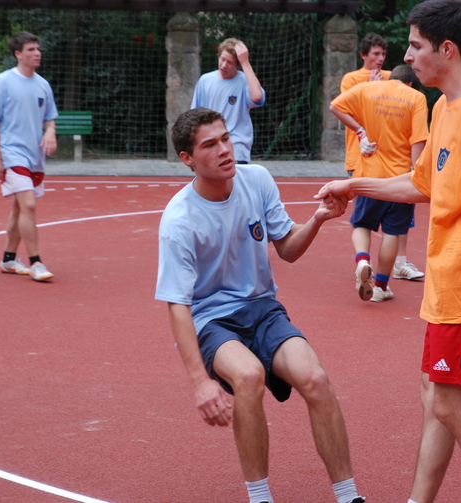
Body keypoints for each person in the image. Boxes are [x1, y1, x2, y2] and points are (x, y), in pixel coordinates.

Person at [317, 1, 461, 501]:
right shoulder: (444, 107)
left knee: (452, 407)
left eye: (415, 45)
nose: (408, 56)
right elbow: (421, 182)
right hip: (447, 283)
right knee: (435, 396)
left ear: (446, 49)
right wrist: (354, 185)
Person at [155, 108, 365, 503]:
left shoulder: (257, 180)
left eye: (225, 139)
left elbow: (287, 249)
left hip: (262, 309)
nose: (224, 149)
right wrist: (201, 382)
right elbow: (178, 305)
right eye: (210, 145)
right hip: (210, 319)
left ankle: (349, 495)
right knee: (249, 376)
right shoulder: (179, 221)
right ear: (187, 159)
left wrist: (318, 219)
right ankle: (260, 497)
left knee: (316, 379)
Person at [330, 64, 429, 302]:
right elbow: (418, 140)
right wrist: (417, 173)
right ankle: (381, 287)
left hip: (369, 176)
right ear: (411, 83)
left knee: (361, 225)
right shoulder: (416, 98)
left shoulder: (367, 89)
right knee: (392, 232)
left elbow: (335, 106)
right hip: (399, 180)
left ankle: (362, 260)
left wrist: (360, 132)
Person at [0, 31, 58, 282]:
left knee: (19, 207)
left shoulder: (43, 85)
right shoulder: (3, 82)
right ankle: (36, 263)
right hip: (11, 153)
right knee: (29, 205)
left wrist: (50, 131)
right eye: (31, 50)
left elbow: (50, 119)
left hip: (34, 156)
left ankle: (8, 259)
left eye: (38, 49)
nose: (37, 53)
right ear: (18, 54)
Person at [191, 38, 265, 163]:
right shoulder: (205, 81)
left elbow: (257, 97)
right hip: (211, 145)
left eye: (230, 62)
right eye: (222, 59)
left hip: (236, 146)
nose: (224, 65)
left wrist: (245, 63)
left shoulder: (245, 81)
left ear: (237, 65)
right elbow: (194, 115)